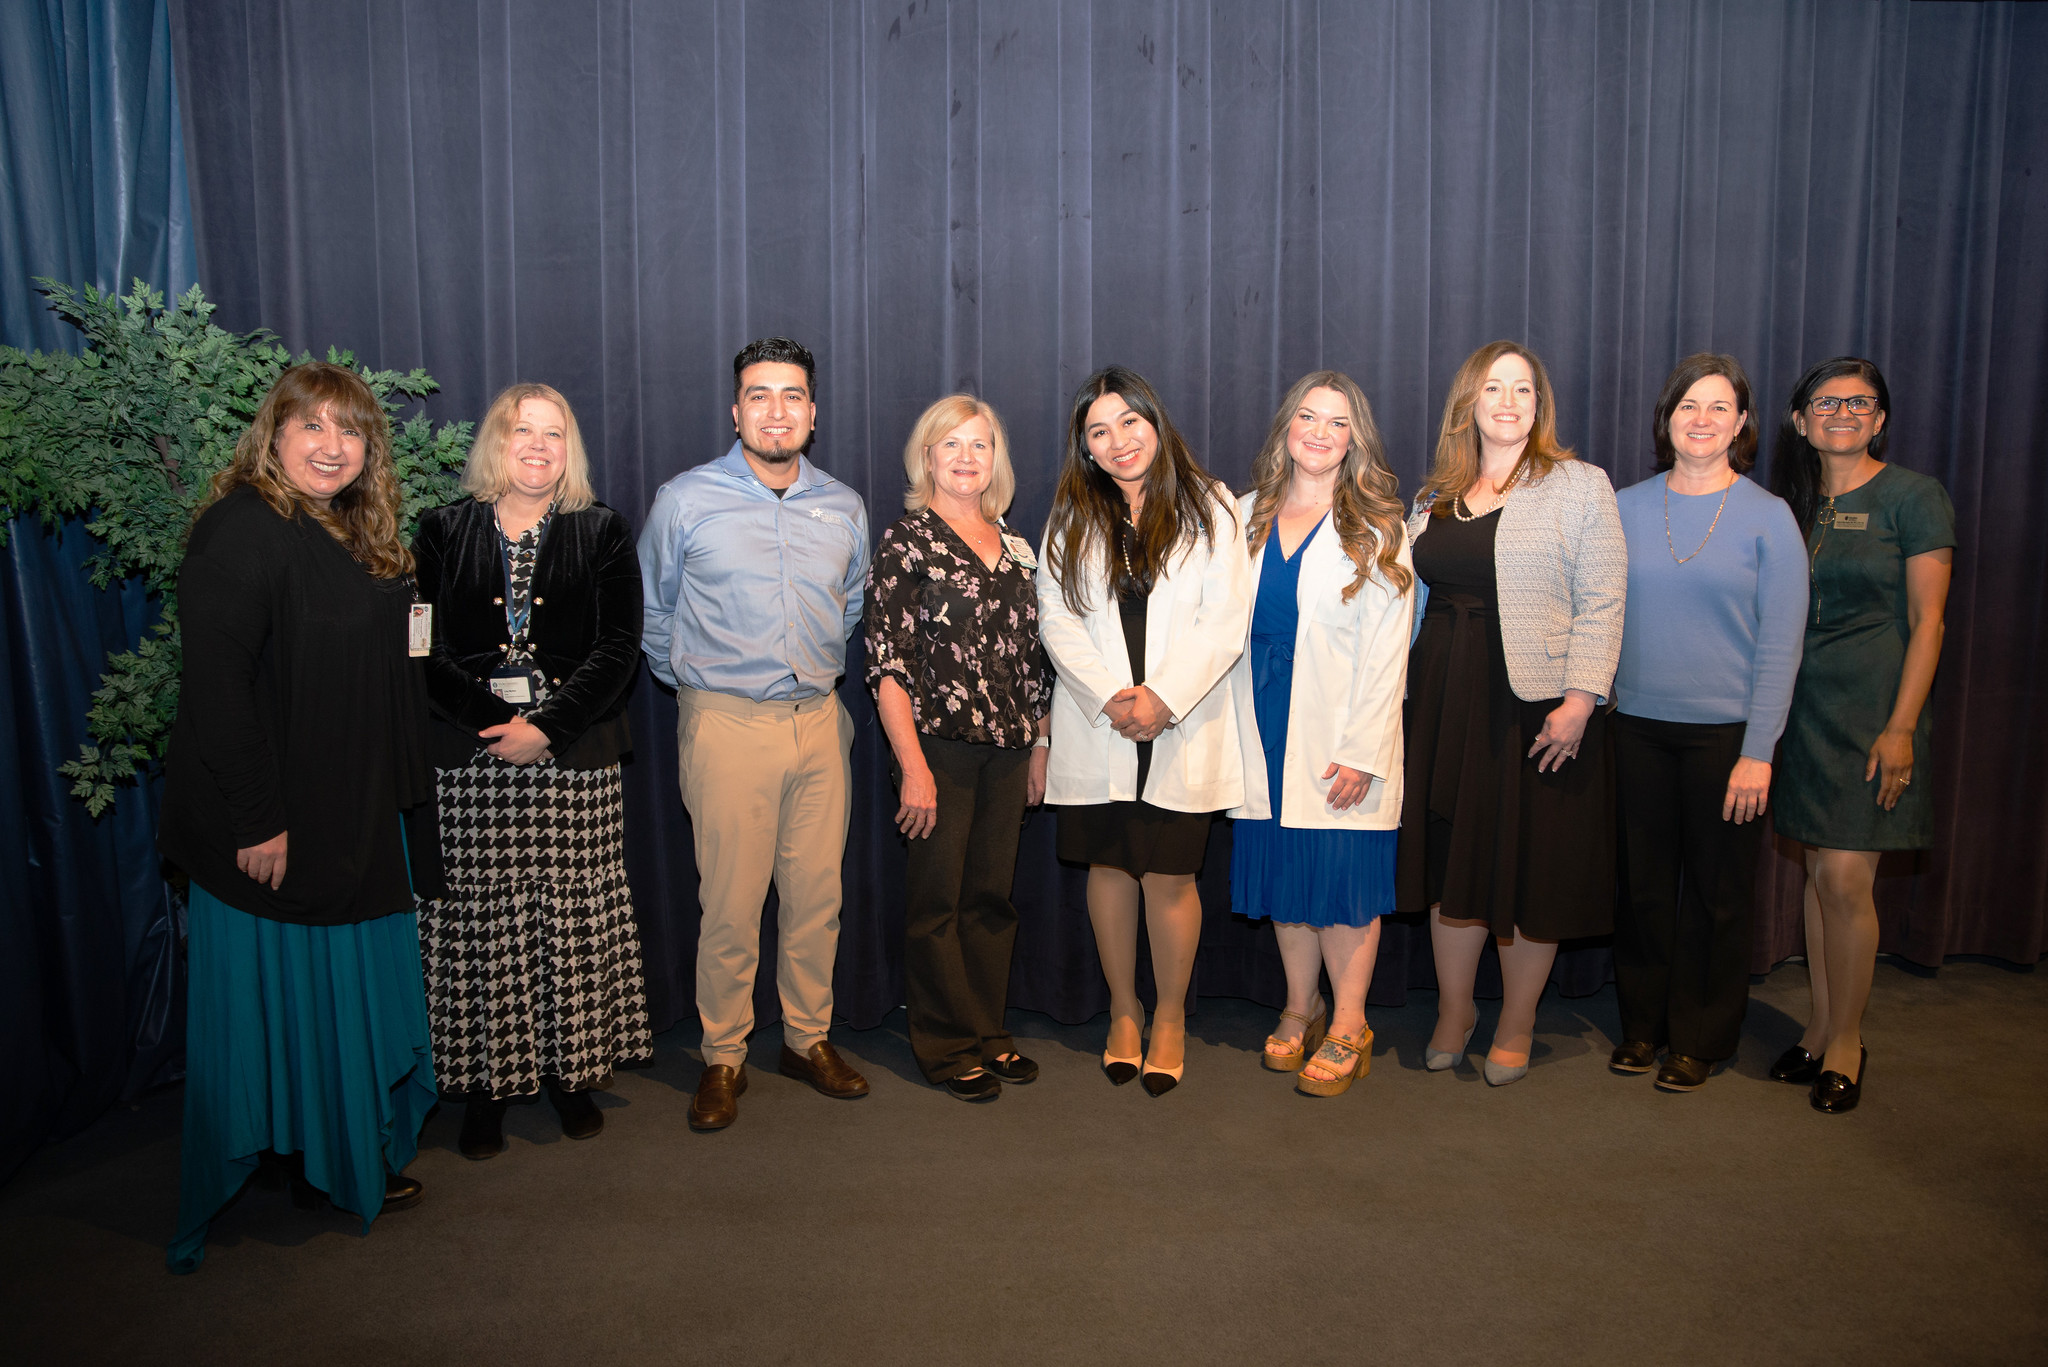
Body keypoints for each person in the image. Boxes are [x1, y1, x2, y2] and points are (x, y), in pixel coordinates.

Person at [158, 362, 435, 1273]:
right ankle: (311, 1156)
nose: (331, 445)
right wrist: (256, 820)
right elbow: (217, 692)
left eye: (349, 430)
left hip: (353, 815)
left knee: (340, 998)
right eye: (311, 424)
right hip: (278, 829)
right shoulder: (241, 530)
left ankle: (339, 1148)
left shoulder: (354, 531)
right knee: (291, 1003)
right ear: (272, 434)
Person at [412, 383, 651, 1158]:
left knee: (569, 921)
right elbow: (421, 648)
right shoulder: (441, 530)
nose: (539, 447)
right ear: (497, 441)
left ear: (568, 447)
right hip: (471, 759)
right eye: (523, 431)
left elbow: (619, 647)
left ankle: (570, 1074)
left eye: (553, 433)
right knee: (483, 927)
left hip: (572, 760)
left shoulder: (601, 529)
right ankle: (486, 1085)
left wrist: (546, 728)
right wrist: (496, 724)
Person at [638, 337, 872, 1131]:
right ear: (735, 411)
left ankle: (807, 1039)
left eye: (792, 395)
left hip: (820, 724)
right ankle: (723, 1055)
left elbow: (849, 605)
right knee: (732, 906)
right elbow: (654, 612)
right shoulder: (685, 500)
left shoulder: (843, 505)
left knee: (817, 898)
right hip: (726, 724)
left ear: (813, 411)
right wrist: (702, 689)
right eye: (760, 395)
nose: (777, 411)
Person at [1398, 340, 1626, 1086]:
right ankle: (1455, 1010)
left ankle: (1519, 1019)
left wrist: (1581, 698)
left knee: (1531, 867)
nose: (1507, 401)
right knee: (1450, 862)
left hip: (1535, 708)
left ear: (1539, 405)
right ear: (1468, 402)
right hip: (1443, 699)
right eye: (1492, 387)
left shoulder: (1579, 485)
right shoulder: (1434, 497)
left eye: (1522, 389)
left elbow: (1604, 598)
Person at [1037, 366, 1250, 1097]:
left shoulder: (1213, 507)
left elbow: (1226, 620)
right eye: (1099, 431)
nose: (1118, 440)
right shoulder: (1071, 515)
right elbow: (1055, 617)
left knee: (1169, 874)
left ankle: (1169, 1016)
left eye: (1129, 421)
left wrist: (1164, 698)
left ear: (1155, 422)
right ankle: (1123, 1010)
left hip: (1179, 720)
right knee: (1108, 868)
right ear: (1086, 447)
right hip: (1101, 721)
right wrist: (1111, 698)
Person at [1608, 355, 1807, 1092]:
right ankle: (1643, 1026)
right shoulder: (1624, 506)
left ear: (1742, 423)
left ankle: (1700, 1037)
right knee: (1643, 889)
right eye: (1688, 405)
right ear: (1666, 419)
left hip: (1727, 739)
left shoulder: (1769, 517)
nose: (1702, 419)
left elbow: (1782, 644)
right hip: (1634, 729)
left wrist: (1759, 751)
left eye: (1719, 407)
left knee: (1717, 896)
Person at [1769, 357, 1954, 1113]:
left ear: (1879, 420)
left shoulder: (1914, 496)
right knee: (1818, 875)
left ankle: (1848, 1039)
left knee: (1847, 879)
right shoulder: (1794, 505)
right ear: (1800, 420)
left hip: (1876, 709)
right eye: (1827, 402)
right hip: (1804, 708)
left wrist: (1902, 726)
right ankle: (1818, 1025)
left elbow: (1929, 621)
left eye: (1860, 402)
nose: (1842, 413)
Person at [1226, 371, 1414, 1098]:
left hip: (1340, 729)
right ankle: (1299, 1006)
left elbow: (1388, 653)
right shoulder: (1245, 515)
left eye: (1338, 423)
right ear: (1286, 427)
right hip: (1262, 722)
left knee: (1341, 876)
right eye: (1308, 416)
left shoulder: (1378, 527)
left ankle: (1350, 1024)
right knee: (1286, 873)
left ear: (1354, 440)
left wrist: (1364, 751)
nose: (1319, 432)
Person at [864, 395, 1051, 1102]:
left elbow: (1035, 661)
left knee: (990, 900)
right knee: (937, 901)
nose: (967, 457)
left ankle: (986, 1030)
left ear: (996, 459)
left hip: (1009, 749)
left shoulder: (1017, 546)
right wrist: (912, 765)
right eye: (952, 444)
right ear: (928, 457)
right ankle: (946, 1045)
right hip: (936, 749)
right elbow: (888, 665)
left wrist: (1039, 744)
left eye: (980, 444)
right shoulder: (907, 540)